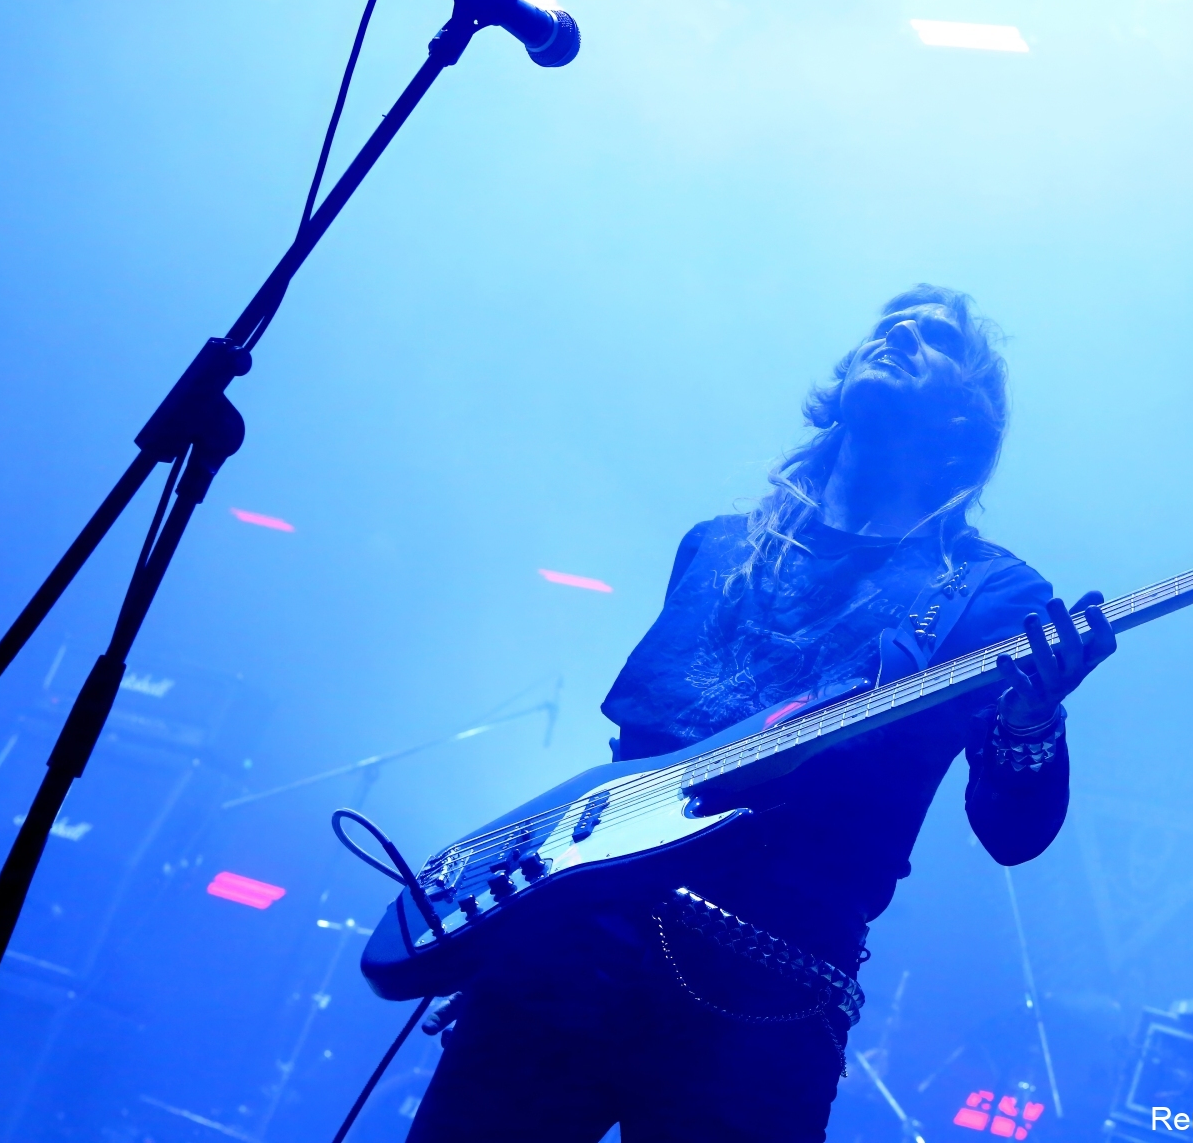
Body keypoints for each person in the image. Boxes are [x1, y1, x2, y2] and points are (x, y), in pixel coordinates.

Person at [405, 285, 1117, 1142]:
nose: (899, 334)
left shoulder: (989, 594)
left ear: (967, 418)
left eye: (934, 337)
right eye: (889, 325)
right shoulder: (715, 546)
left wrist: (1032, 721)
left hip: (760, 1003)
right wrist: (521, 918)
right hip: (563, 958)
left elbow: (1013, 834)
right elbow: (634, 758)